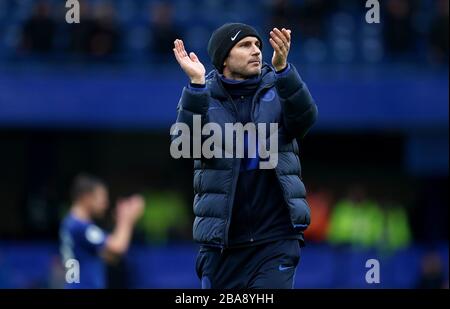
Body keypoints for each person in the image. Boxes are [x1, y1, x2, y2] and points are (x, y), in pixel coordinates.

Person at [172, 23, 318, 288]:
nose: (256, 51)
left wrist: (284, 69)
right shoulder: (203, 95)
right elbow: (186, 148)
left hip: (275, 240)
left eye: (258, 45)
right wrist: (195, 85)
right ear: (224, 57)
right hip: (222, 248)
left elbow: (304, 119)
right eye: (245, 45)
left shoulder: (278, 85)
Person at [59, 174, 144, 289]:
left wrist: (120, 223)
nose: (105, 203)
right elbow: (118, 247)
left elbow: (111, 257)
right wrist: (126, 218)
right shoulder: (81, 227)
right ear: (87, 197)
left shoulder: (71, 223)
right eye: (101, 198)